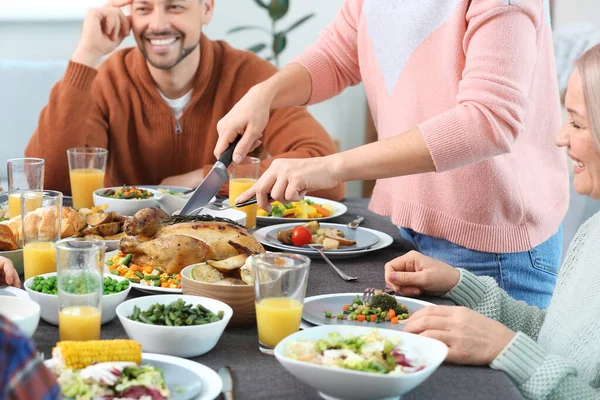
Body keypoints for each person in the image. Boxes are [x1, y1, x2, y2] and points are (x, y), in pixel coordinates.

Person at [215, 0, 568, 308]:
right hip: (411, 228)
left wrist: (330, 167)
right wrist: (265, 94)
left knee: (484, 385)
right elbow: (336, 56)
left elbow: (487, 121)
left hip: (492, 248)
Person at [385, 44, 600, 399]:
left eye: (577, 122)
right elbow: (561, 340)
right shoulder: (594, 232)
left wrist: (507, 350)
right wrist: (460, 284)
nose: (561, 137)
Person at [24, 0, 344, 201]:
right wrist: (87, 53)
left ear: (206, 9)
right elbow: (51, 186)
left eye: (175, 6)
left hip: (228, 253)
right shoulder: (108, 80)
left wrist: (203, 178)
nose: (158, 24)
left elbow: (323, 171)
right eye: (144, 8)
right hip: (123, 259)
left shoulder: (250, 75)